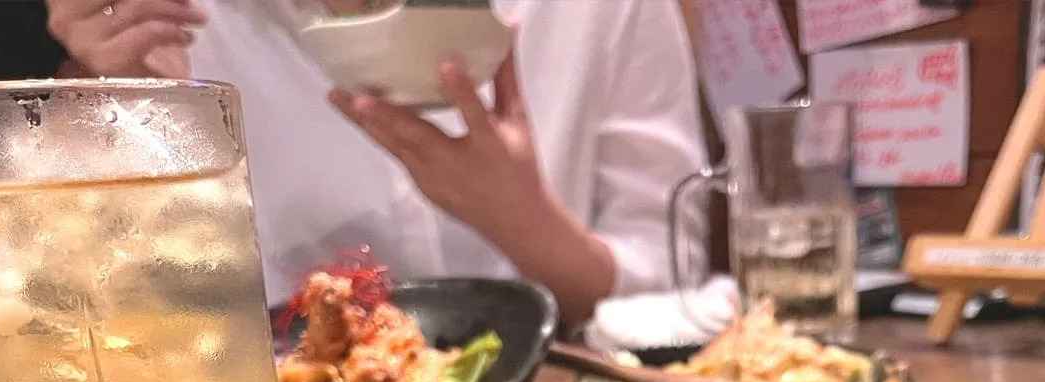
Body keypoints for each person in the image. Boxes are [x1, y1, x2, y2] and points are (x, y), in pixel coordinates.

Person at [43, 0, 707, 324]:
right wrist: (112, 99)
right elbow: (107, 319)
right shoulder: (172, 22)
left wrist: (528, 228)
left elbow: (681, 291)